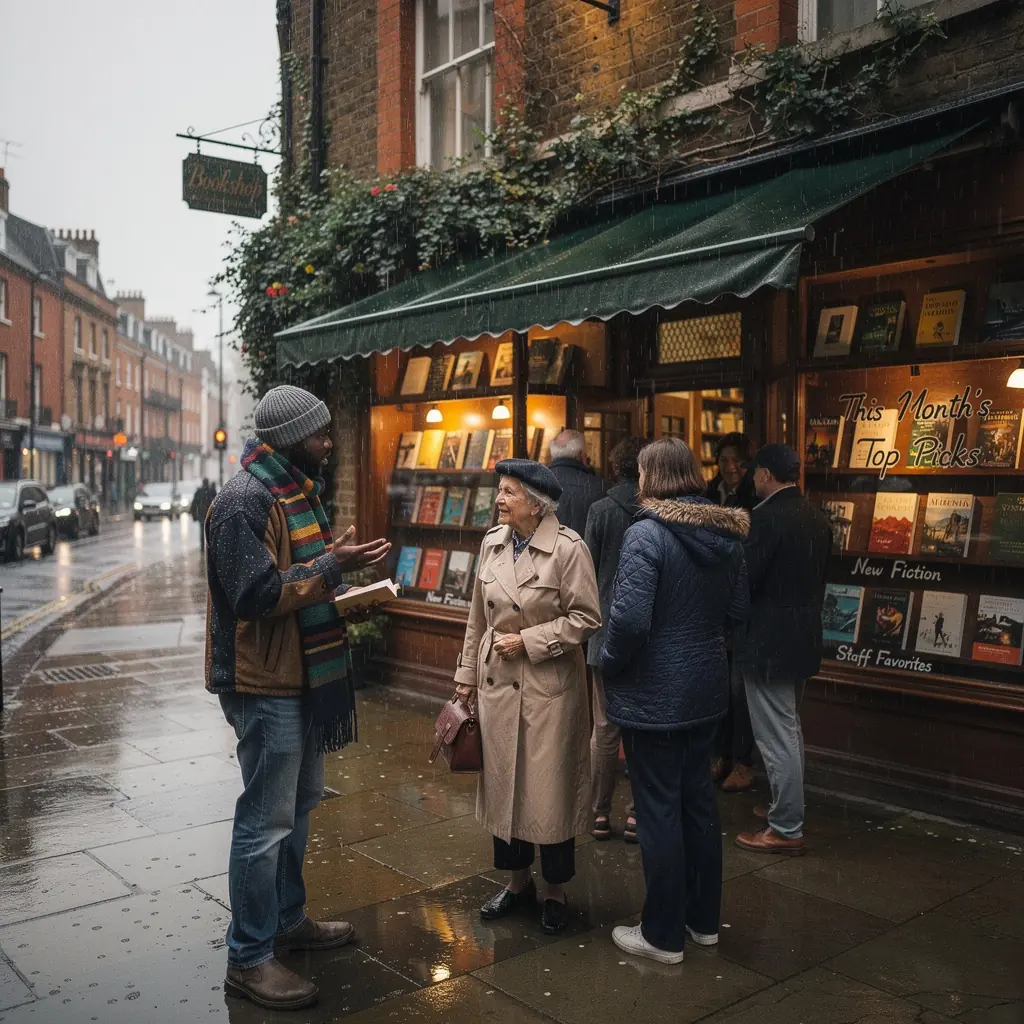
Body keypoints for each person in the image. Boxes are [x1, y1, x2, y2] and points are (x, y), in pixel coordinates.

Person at [205, 385, 391, 1011]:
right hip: (262, 684)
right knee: (264, 821)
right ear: (290, 439)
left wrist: (339, 572)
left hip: (301, 679)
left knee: (300, 805)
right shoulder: (243, 501)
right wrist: (332, 566)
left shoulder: (292, 494)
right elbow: (255, 596)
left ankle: (288, 920)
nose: (329, 443)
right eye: (320, 434)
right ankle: (249, 957)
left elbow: (296, 586)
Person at [600, 437, 749, 965]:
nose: (636, 481)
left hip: (654, 693)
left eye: (641, 471)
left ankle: (662, 934)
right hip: (705, 684)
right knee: (698, 804)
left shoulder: (647, 533)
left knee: (659, 809)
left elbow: (629, 620)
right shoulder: (726, 532)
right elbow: (737, 612)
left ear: (654, 477)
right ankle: (702, 920)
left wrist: (609, 663)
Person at [454, 458, 600, 936]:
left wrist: (531, 641)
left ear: (536, 505)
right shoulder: (491, 543)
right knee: (504, 789)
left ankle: (555, 891)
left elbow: (586, 618)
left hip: (549, 693)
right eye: (500, 490)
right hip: (498, 688)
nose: (499, 499)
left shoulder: (568, 548)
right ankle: (518, 884)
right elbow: (478, 618)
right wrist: (465, 678)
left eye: (509, 493)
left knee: (548, 794)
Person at [735, 444, 831, 858]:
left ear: (765, 474)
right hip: (804, 635)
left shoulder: (766, 518)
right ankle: (783, 807)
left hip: (769, 640)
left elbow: (746, 581)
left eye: (755, 471)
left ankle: (786, 827)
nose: (753, 478)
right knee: (788, 728)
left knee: (776, 735)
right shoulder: (815, 515)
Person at [583, 436, 648, 843]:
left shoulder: (601, 510)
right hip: (644, 632)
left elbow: (585, 573)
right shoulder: (654, 512)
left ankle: (598, 814)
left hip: (604, 629)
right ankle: (637, 815)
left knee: (603, 729)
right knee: (640, 728)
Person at [706, 433, 758, 793]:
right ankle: (717, 754)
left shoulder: (754, 498)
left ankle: (743, 760)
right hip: (712, 602)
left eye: (738, 461)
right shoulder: (709, 495)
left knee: (740, 690)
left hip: (743, 602)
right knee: (717, 687)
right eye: (724, 460)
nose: (731, 468)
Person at [548, 429, 604, 536]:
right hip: (584, 551)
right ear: (581, 455)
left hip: (545, 550)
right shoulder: (600, 487)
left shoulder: (538, 483)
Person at [190, 478, 216, 553]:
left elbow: (194, 503)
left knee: (202, 531)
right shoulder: (211, 491)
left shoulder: (199, 491)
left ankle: (202, 547)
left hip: (202, 514)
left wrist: (194, 514)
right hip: (210, 515)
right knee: (210, 531)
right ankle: (209, 547)